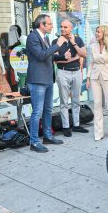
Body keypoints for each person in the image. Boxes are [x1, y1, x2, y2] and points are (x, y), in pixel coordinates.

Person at [26, 14, 67, 152]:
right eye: (49, 24)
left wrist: (61, 56)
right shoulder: (32, 37)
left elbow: (48, 56)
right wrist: (58, 45)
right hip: (37, 80)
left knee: (48, 109)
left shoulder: (45, 37)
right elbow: (41, 55)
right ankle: (34, 141)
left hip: (48, 78)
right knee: (37, 112)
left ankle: (48, 136)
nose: (52, 26)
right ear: (42, 25)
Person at [52, 19, 89, 137]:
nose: (62, 29)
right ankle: (66, 126)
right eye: (61, 26)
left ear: (71, 28)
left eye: (65, 27)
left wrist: (73, 44)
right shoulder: (56, 41)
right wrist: (70, 58)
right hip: (63, 72)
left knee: (76, 100)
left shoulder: (77, 39)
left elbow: (84, 54)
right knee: (64, 102)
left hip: (77, 72)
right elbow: (54, 59)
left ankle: (77, 125)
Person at [86, 25, 108, 141]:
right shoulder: (93, 46)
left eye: (98, 32)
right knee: (97, 104)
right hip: (95, 77)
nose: (96, 34)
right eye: (96, 32)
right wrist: (87, 77)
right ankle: (98, 132)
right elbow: (90, 63)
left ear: (105, 33)